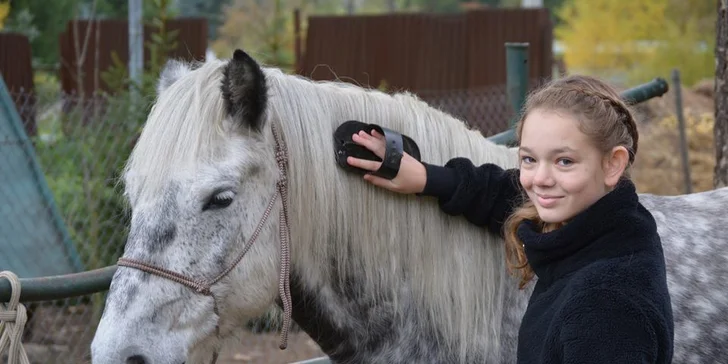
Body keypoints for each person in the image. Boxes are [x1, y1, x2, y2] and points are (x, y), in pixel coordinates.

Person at [345, 75, 674, 363]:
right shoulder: (611, 224)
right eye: (529, 158)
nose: (539, 179)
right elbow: (505, 190)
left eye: (564, 161)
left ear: (613, 164)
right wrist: (426, 178)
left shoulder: (606, 307)